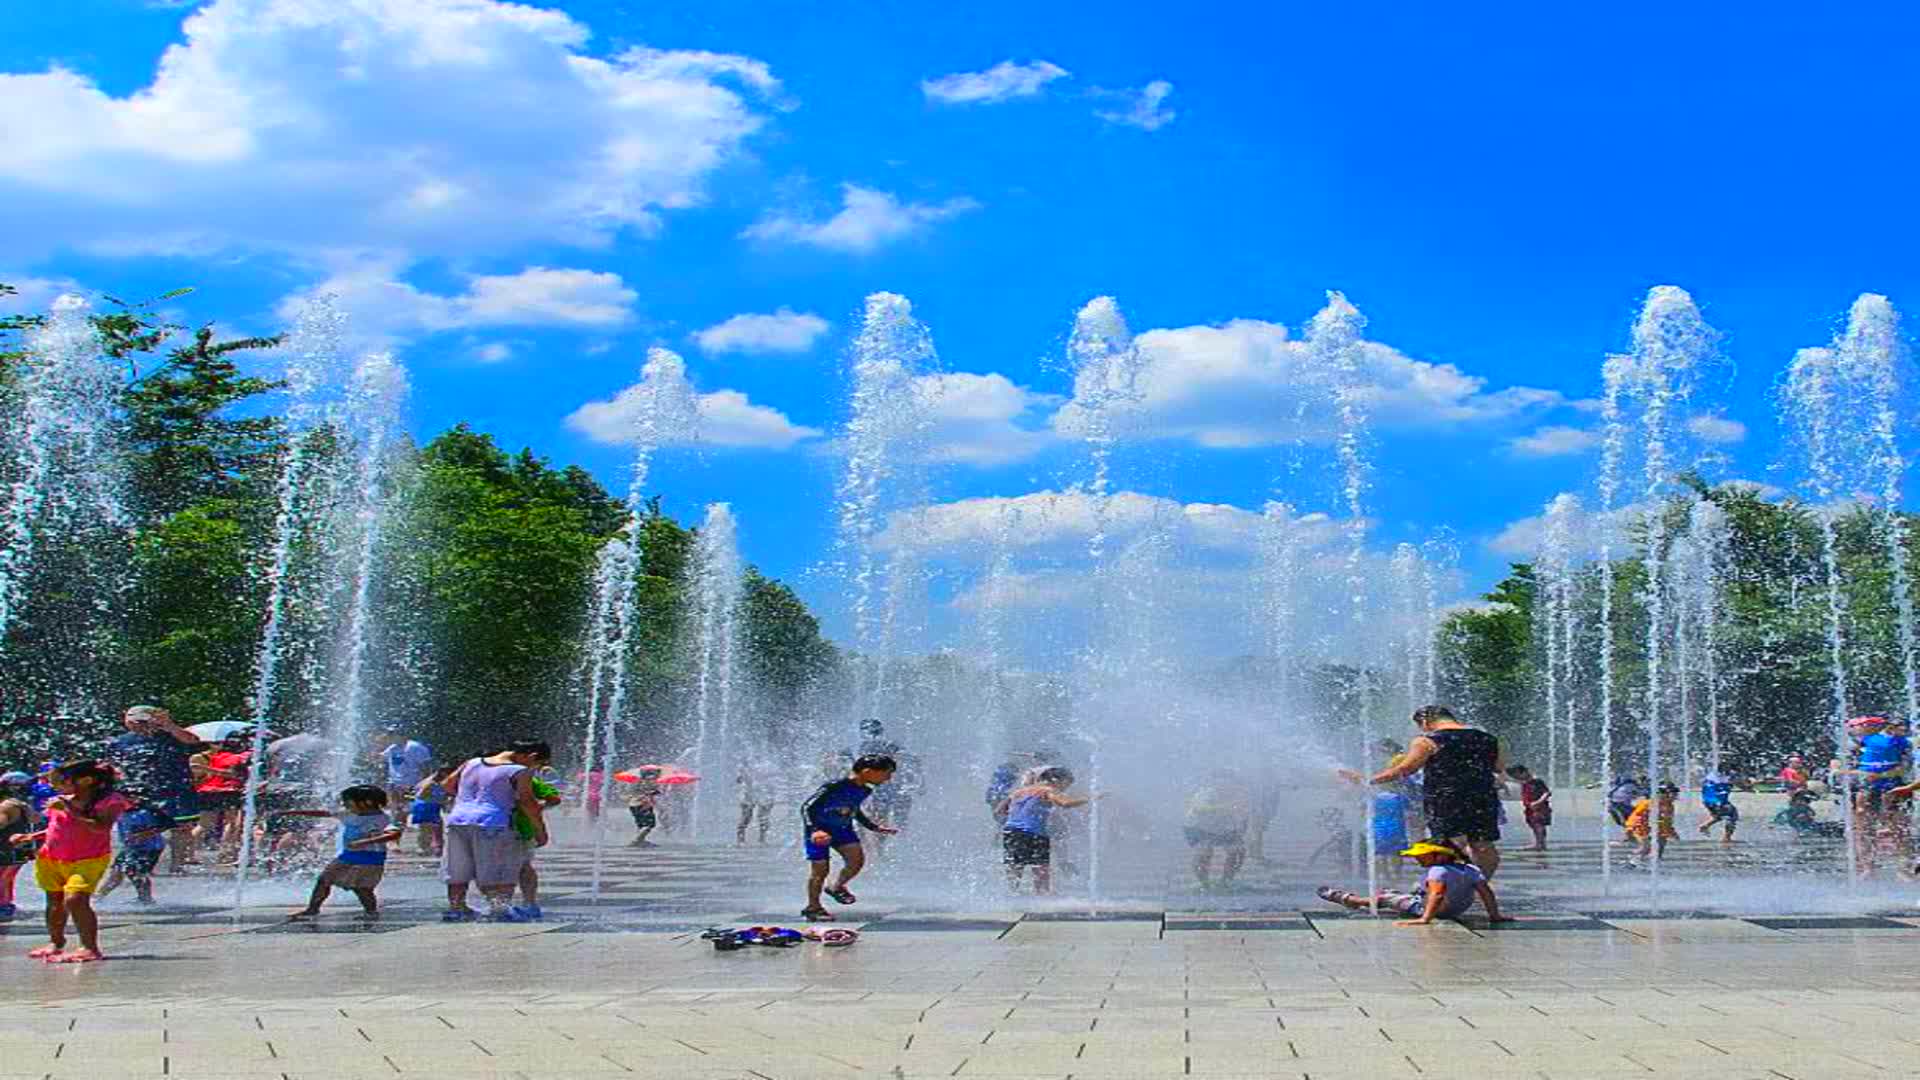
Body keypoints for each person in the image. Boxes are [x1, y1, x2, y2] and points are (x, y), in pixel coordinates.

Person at [1342, 705, 1505, 878]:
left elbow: (1405, 769)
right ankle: (1479, 884)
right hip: (1483, 797)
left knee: (1447, 844)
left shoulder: (1427, 740)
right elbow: (1499, 767)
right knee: (1483, 846)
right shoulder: (1488, 738)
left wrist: (1368, 780)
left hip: (1446, 799)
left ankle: (1450, 887)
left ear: (1425, 721)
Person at [18, 760, 130, 962]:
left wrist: (69, 807)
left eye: (62, 781)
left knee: (76, 899)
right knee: (54, 901)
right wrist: (32, 837)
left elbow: (100, 827)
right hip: (51, 857)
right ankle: (56, 943)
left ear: (86, 780)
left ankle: (90, 948)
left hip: (88, 858)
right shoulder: (64, 799)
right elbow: (59, 827)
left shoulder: (110, 801)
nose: (55, 786)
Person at [439, 740, 550, 923]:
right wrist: (540, 830)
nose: (536, 768)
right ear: (531, 756)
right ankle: (499, 908)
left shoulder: (472, 762)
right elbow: (527, 802)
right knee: (499, 867)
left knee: (458, 868)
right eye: (538, 764)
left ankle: (456, 908)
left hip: (458, 820)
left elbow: (447, 785)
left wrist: (470, 799)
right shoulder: (519, 770)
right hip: (494, 823)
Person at [1317, 841, 1513, 927]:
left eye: (1422, 856)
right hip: (1456, 910)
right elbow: (1486, 893)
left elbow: (1436, 894)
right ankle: (1384, 899)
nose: (1417, 860)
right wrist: (1494, 915)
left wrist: (1425, 919)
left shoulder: (1437, 871)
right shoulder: (1471, 869)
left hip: (1430, 909)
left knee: (1385, 897)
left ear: (1439, 856)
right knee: (1403, 892)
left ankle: (1352, 900)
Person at [281, 786, 404, 920]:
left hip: (370, 859)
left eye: (348, 801)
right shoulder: (349, 814)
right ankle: (312, 909)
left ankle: (371, 912)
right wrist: (296, 812)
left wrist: (363, 842)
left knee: (362, 888)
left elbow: (394, 834)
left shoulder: (382, 819)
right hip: (347, 856)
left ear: (366, 802)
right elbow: (324, 813)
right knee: (323, 880)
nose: (344, 804)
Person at [800, 754, 898, 922]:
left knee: (856, 861)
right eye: (886, 773)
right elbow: (807, 807)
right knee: (820, 871)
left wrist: (873, 827)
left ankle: (835, 886)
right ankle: (813, 907)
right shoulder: (835, 786)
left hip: (843, 829)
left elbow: (854, 809)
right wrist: (815, 830)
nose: (888, 778)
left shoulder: (865, 790)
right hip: (819, 832)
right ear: (868, 771)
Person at [110, 705, 202, 873]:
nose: (136, 725)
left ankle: (177, 865)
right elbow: (115, 764)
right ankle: (143, 864)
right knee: (142, 827)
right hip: (140, 792)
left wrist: (169, 725)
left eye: (140, 721)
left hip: (175, 789)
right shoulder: (122, 741)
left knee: (181, 827)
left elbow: (193, 741)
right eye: (131, 722)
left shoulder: (169, 735)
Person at [998, 766, 1095, 895]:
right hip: (1034, 832)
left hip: (1011, 831)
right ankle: (1042, 896)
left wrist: (1019, 816)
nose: (1064, 789)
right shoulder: (1047, 790)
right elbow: (1065, 803)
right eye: (1065, 784)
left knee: (1015, 866)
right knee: (1040, 867)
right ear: (1055, 780)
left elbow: (1000, 810)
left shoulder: (1019, 792)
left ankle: (1011, 894)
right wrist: (1091, 798)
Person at [1183, 771, 1252, 890]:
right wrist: (1225, 808)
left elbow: (1244, 815)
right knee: (1204, 852)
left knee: (1238, 851)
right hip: (1199, 827)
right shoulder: (1206, 793)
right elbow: (1198, 808)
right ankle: (1204, 883)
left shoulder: (1238, 795)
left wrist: (1241, 829)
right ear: (1214, 783)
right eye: (1221, 783)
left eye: (1229, 783)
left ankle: (1226, 881)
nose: (1225, 786)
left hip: (1223, 827)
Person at [96, 801, 175, 905]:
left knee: (137, 873)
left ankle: (146, 899)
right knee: (116, 872)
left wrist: (143, 834)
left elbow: (167, 824)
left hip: (149, 848)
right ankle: (98, 897)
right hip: (130, 847)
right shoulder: (120, 810)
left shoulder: (147, 811)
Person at [512, 764, 564, 921]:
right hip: (501, 828)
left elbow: (554, 798)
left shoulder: (528, 780)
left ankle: (527, 904)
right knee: (520, 866)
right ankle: (522, 904)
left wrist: (535, 807)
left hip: (519, 829)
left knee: (522, 866)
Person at [189, 734, 251, 864]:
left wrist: (205, 769)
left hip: (208, 791)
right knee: (231, 823)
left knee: (203, 824)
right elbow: (234, 774)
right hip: (229, 791)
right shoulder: (239, 758)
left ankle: (188, 854)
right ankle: (225, 854)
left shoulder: (217, 757)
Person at [375, 732, 434, 827]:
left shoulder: (415, 747)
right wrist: (378, 744)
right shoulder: (392, 748)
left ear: (403, 735)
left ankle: (408, 829)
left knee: (405, 809)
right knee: (397, 811)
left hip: (411, 786)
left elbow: (426, 767)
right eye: (389, 735)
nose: (390, 737)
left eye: (393, 734)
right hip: (395, 786)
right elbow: (377, 759)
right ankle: (398, 831)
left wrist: (426, 784)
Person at [0, 773, 34, 921]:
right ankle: (6, 905)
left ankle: (4, 907)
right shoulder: (19, 803)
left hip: (8, 848)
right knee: (7, 878)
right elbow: (37, 818)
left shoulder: (8, 805)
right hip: (18, 848)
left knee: (4, 878)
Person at [1626, 782, 1680, 862]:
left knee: (1662, 839)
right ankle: (1633, 860)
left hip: (1650, 826)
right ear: (1664, 794)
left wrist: (1671, 831)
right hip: (1639, 826)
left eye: (1676, 794)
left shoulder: (1669, 806)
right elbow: (1636, 818)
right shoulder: (1650, 803)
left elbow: (1667, 821)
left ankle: (1657, 859)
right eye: (1673, 794)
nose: (1675, 796)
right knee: (1646, 846)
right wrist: (1630, 829)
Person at [409, 765, 454, 855]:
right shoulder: (431, 782)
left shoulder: (439, 782)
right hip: (425, 807)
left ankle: (431, 847)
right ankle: (426, 848)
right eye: (449, 773)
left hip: (430, 807)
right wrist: (441, 800)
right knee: (427, 827)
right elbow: (420, 795)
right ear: (442, 772)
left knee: (433, 827)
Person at [736, 758, 780, 845]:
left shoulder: (770, 763)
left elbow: (775, 777)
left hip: (765, 791)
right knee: (747, 816)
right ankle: (741, 838)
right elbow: (739, 780)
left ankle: (761, 839)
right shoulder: (746, 763)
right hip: (750, 791)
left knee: (763, 817)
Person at [1508, 766, 1551, 851]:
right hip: (1529, 808)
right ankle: (1539, 842)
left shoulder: (1537, 781)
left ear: (1525, 772)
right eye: (1515, 777)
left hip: (1540, 807)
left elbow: (1547, 793)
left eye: (1518, 775)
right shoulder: (1525, 782)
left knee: (1539, 825)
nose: (1517, 778)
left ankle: (1540, 843)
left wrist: (1539, 802)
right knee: (1534, 825)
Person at [1697, 770, 1739, 843]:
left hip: (1708, 801)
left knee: (1719, 815)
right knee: (1732, 815)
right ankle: (1726, 838)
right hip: (1718, 801)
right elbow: (1743, 784)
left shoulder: (1712, 774)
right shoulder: (1729, 776)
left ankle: (1705, 825)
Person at [625, 766, 663, 847]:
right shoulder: (650, 781)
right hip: (644, 804)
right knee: (650, 824)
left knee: (641, 824)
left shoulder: (636, 781)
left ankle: (641, 840)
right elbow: (653, 792)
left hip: (633, 804)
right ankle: (636, 840)